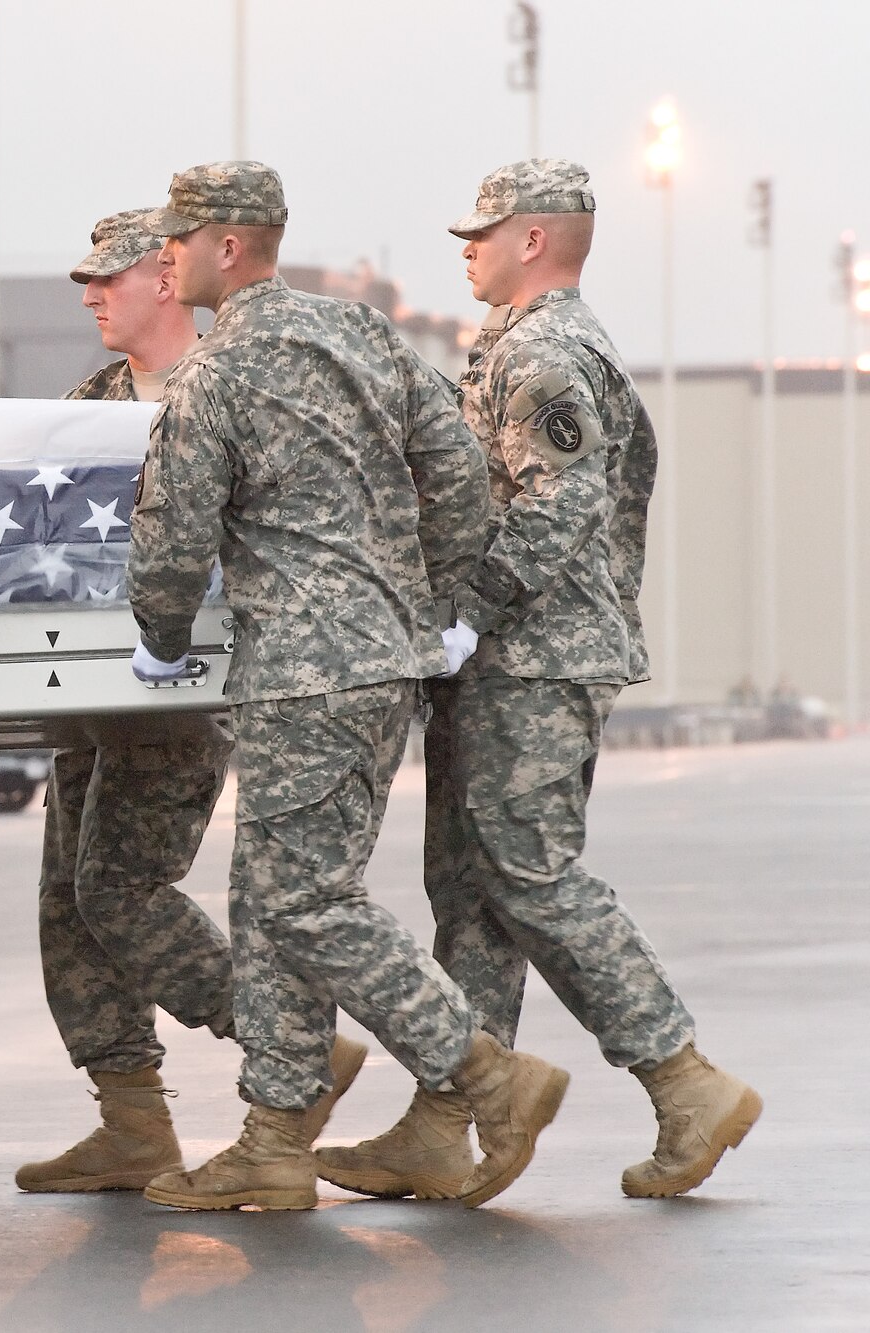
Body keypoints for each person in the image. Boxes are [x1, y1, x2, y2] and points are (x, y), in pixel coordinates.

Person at [129, 161, 570, 1211]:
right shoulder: (362, 335)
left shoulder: (215, 371)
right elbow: (459, 469)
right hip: (379, 660)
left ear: (226, 247)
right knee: (267, 897)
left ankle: (482, 1073)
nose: (164, 258)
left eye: (176, 241)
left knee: (308, 902)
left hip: (299, 672)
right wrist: (429, 590)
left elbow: (173, 538)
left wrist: (153, 628)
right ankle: (272, 1137)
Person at [319, 160, 761, 1202]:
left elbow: (556, 505)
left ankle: (682, 1078)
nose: (463, 247)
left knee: (528, 876)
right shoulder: (514, 347)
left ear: (531, 238)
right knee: (469, 892)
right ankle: (445, 1116)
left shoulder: (547, 349)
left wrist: (473, 609)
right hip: (511, 654)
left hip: (534, 652)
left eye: (480, 231)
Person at [17, 208, 364, 1196]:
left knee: (117, 892)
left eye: (105, 279)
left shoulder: (227, 388)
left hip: (178, 694)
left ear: (162, 280)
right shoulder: (82, 408)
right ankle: (130, 1122)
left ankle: (292, 1049)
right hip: (90, 701)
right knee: (67, 906)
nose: (89, 296)